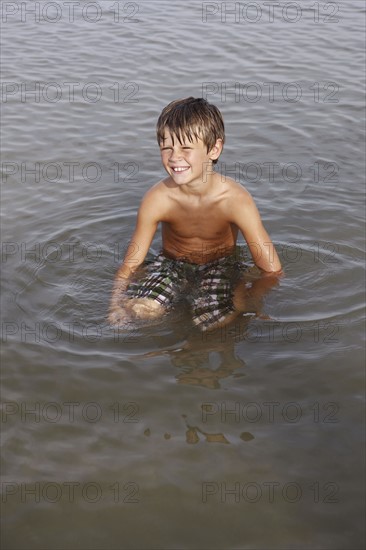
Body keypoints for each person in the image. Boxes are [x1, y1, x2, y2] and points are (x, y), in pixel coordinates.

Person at [108, 97, 282, 331]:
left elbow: (272, 269)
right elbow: (131, 263)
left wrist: (246, 294)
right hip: (172, 264)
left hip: (220, 265)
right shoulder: (157, 199)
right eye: (166, 147)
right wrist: (115, 304)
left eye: (186, 148)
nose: (174, 157)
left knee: (212, 324)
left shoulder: (236, 201)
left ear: (214, 149)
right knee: (141, 311)